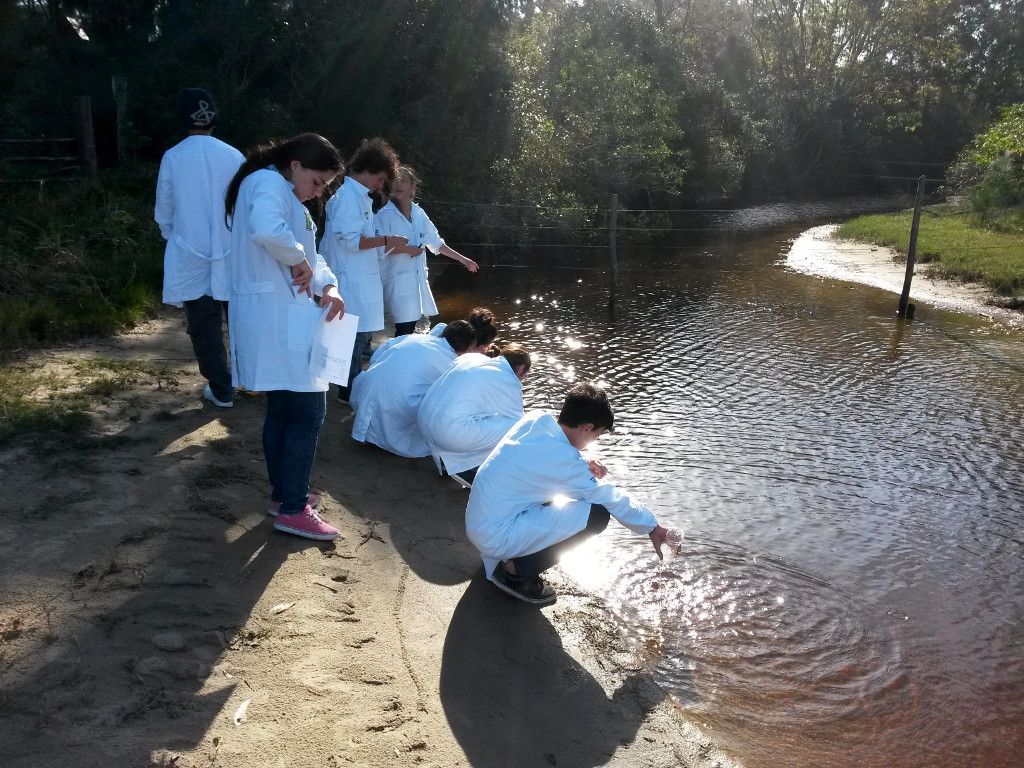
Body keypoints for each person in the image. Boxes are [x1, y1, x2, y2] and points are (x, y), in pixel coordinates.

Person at [224, 133, 346, 541]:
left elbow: (310, 253)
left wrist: (328, 285)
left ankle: (284, 497)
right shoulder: (266, 184)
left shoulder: (282, 192)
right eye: (318, 181)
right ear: (295, 164)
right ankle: (293, 508)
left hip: (283, 316)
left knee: (283, 408)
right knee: (309, 412)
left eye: (325, 186)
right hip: (275, 317)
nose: (318, 192)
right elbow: (268, 231)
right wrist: (298, 260)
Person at [466, 382, 671, 605]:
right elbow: (607, 495)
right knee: (598, 514)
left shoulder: (536, 420)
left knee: (567, 497)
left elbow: (546, 459)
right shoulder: (563, 461)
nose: (595, 441)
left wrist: (581, 463)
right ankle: (516, 572)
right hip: (496, 537)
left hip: (480, 523)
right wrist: (652, 527)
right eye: (597, 435)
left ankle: (516, 560)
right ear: (587, 428)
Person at [154, 87, 244, 408]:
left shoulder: (174, 157)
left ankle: (222, 389)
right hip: (232, 252)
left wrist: (175, 237)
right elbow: (245, 207)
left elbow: (164, 211)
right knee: (240, 319)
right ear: (213, 119)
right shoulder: (234, 156)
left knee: (205, 325)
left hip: (191, 254)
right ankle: (249, 378)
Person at [321, 138, 415, 404]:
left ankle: (346, 387)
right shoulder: (348, 198)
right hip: (351, 280)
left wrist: (386, 242)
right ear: (368, 169)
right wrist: (387, 240)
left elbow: (360, 239)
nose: (382, 185)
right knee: (352, 337)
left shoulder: (358, 197)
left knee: (356, 336)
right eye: (382, 179)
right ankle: (347, 391)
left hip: (360, 278)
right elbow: (350, 240)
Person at [350, 309, 498, 457]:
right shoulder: (455, 364)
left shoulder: (414, 338)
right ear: (470, 348)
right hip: (392, 414)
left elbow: (376, 358)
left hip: (362, 398)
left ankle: (371, 429)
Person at [375, 165, 479, 336]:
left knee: (410, 327)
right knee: (404, 328)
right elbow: (376, 248)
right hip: (397, 281)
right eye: (395, 181)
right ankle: (399, 359)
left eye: (403, 181)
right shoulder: (384, 216)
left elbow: (436, 243)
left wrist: (464, 260)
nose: (398, 185)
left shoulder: (419, 213)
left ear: (412, 187)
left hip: (416, 282)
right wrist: (405, 250)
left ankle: (403, 358)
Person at [417, 343, 532, 485]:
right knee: (517, 427)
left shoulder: (471, 358)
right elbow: (518, 419)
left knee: (473, 417)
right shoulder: (507, 378)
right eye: (525, 376)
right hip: (446, 434)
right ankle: (466, 469)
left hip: (423, 421)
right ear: (521, 369)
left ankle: (448, 462)